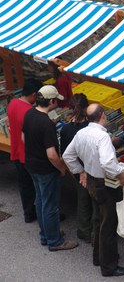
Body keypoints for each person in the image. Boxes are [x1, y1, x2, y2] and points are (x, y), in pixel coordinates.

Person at [63, 103, 124, 277]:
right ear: (102, 115)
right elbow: (108, 162)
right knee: (108, 224)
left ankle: (98, 257)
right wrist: (120, 174)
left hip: (92, 181)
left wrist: (80, 171)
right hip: (104, 183)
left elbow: (67, 156)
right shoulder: (102, 137)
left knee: (98, 220)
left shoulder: (81, 133)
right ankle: (109, 266)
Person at [22, 85, 78, 251]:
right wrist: (62, 169)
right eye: (56, 101)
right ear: (51, 101)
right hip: (46, 169)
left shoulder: (30, 113)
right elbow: (52, 155)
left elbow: (24, 137)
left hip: (31, 165)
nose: (57, 104)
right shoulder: (47, 123)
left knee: (40, 201)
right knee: (51, 205)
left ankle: (46, 234)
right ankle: (55, 240)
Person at [7, 79, 42, 223]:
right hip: (29, 155)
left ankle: (28, 213)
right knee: (39, 188)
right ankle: (43, 215)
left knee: (25, 186)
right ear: (33, 95)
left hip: (16, 151)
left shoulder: (12, 103)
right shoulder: (29, 112)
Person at [60, 93, 92, 243]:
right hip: (92, 168)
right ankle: (92, 231)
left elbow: (65, 153)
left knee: (83, 201)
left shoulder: (66, 129)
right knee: (97, 201)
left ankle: (84, 229)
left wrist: (76, 171)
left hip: (78, 169)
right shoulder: (91, 127)